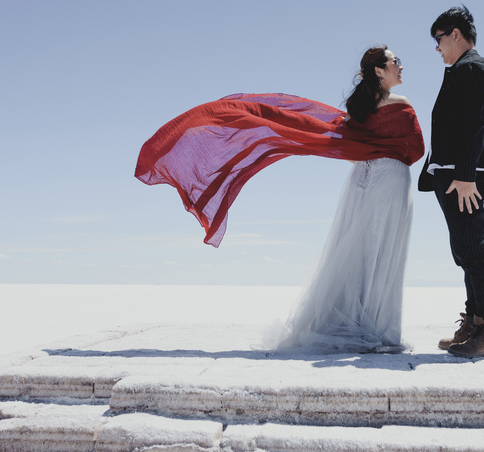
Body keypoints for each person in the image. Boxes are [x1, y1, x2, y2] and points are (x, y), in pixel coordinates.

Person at [136, 46, 424, 352]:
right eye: (396, 61)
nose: (401, 66)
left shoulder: (359, 111)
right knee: (383, 251)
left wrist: (372, 154)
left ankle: (354, 325)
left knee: (356, 252)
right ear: (379, 70)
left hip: (363, 179)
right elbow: (417, 149)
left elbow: (350, 150)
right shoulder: (400, 104)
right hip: (390, 180)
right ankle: (379, 330)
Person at [418, 6, 484, 358]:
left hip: (463, 178)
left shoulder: (474, 68)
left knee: (476, 252)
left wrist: (466, 176)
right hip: (452, 174)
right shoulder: (460, 69)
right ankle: (475, 323)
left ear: (455, 34)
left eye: (438, 40)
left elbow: (477, 124)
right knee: (465, 252)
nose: (437, 48)